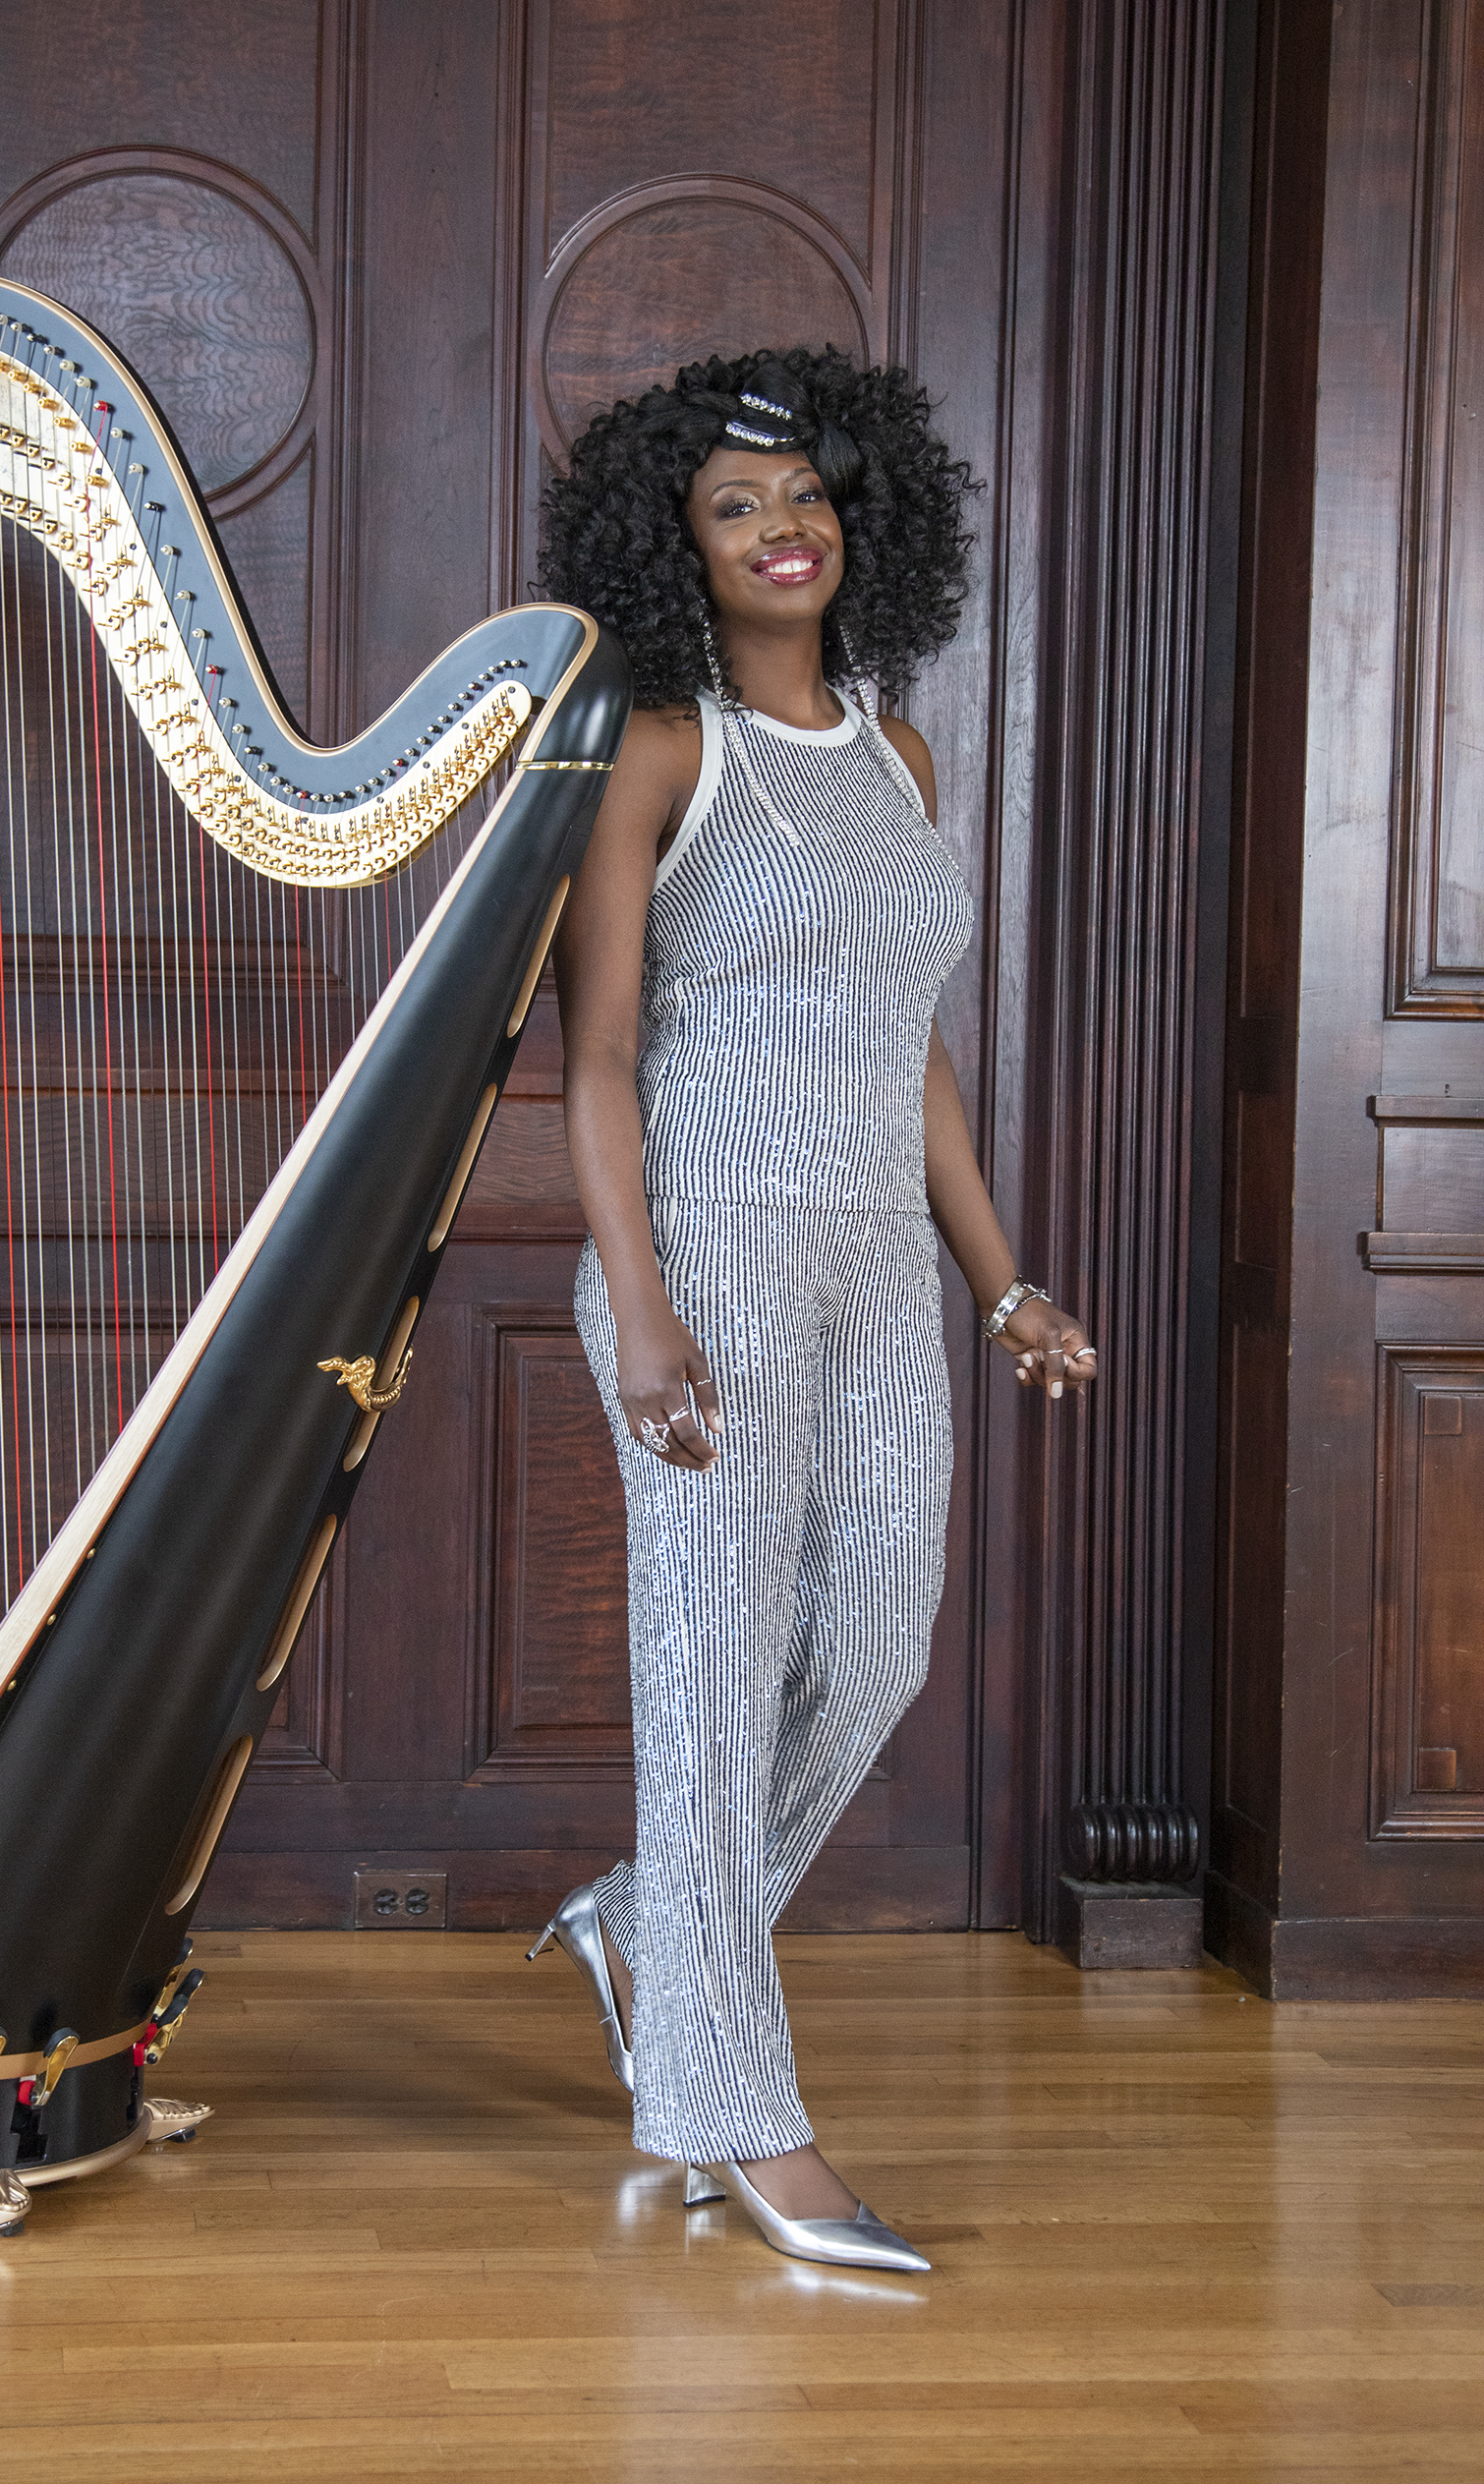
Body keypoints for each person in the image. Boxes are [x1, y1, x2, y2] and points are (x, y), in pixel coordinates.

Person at [529, 346, 1096, 2274]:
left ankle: (643, 1931)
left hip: (876, 1266)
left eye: (805, 496)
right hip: (710, 1259)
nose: (783, 529)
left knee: (870, 1654)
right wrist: (642, 1304)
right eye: (733, 507)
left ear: (863, 520)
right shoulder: (661, 751)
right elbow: (599, 1057)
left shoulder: (894, 754)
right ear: (675, 546)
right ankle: (741, 2119)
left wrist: (1001, 1280)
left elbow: (907, 1047)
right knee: (705, 1691)